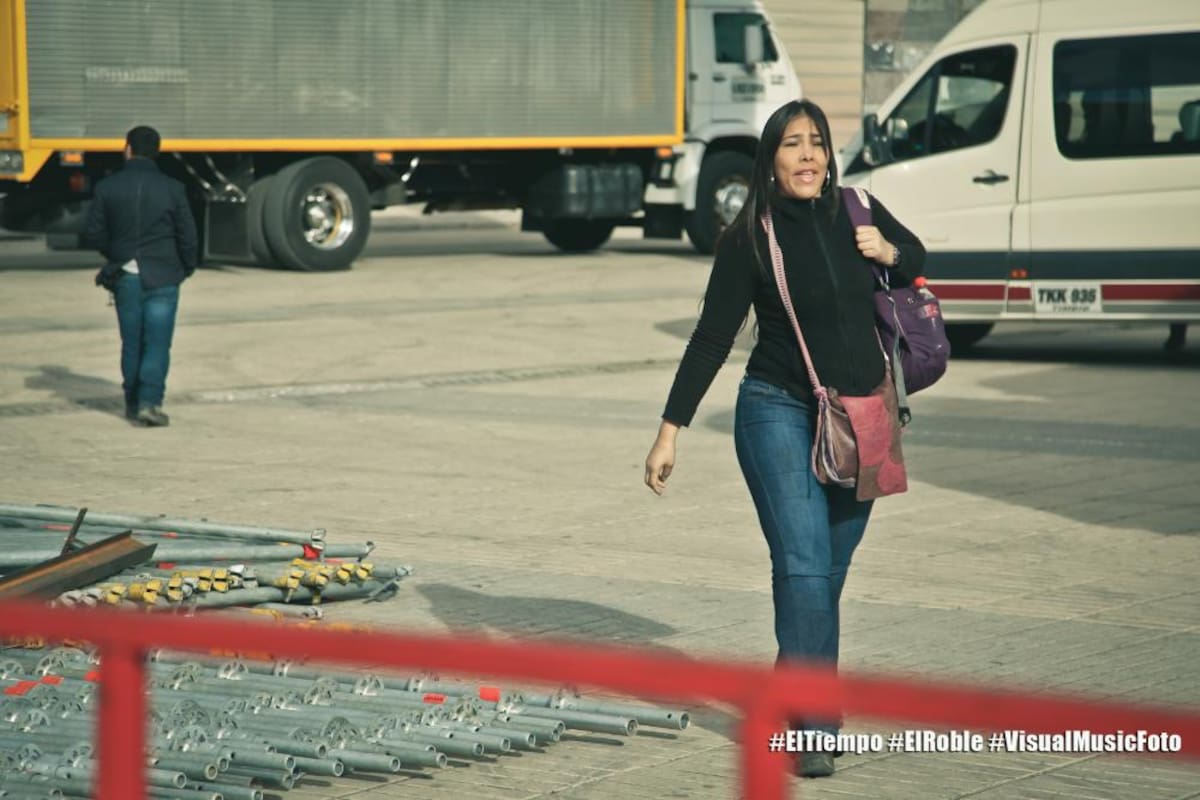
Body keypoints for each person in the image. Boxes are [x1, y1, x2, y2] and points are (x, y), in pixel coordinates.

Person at [643, 100, 925, 778]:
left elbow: (915, 260)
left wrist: (888, 251)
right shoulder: (752, 235)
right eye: (792, 144)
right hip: (776, 410)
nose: (807, 156)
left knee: (823, 578)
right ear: (771, 159)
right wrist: (669, 431)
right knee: (802, 566)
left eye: (817, 144)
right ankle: (816, 726)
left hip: (864, 419)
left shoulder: (859, 209)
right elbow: (713, 334)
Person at [85, 125, 198, 427]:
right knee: (158, 343)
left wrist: (118, 255)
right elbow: (187, 235)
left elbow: (94, 234)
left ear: (128, 149)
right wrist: (185, 268)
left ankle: (131, 401)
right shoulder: (173, 188)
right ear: (157, 152)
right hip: (163, 276)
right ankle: (150, 402)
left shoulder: (107, 187)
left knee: (131, 342)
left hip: (125, 276)